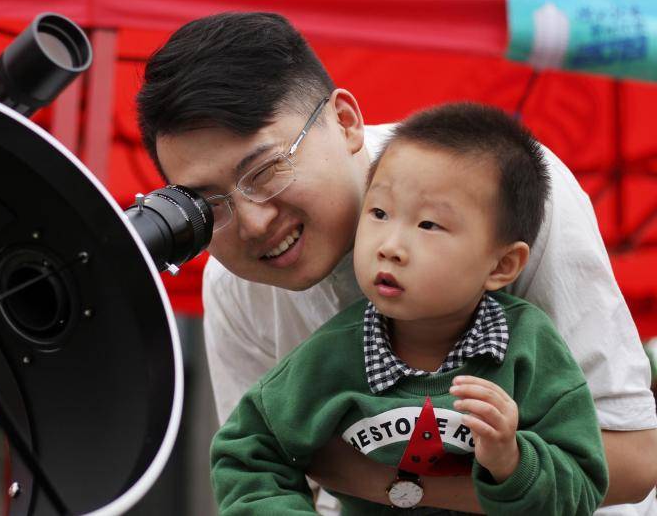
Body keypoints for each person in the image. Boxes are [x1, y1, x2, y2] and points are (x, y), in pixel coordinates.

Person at [136, 12, 657, 513]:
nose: (253, 222)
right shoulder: (232, 285)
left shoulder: (492, 192)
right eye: (210, 205)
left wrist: (387, 484)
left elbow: (634, 457)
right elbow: (258, 467)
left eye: (267, 170)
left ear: (344, 121)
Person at [210, 102, 608, 515]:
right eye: (379, 213)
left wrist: (512, 462)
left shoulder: (528, 348)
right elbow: (247, 451)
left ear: (502, 265)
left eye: (428, 225)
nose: (390, 246)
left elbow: (583, 483)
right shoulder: (330, 356)